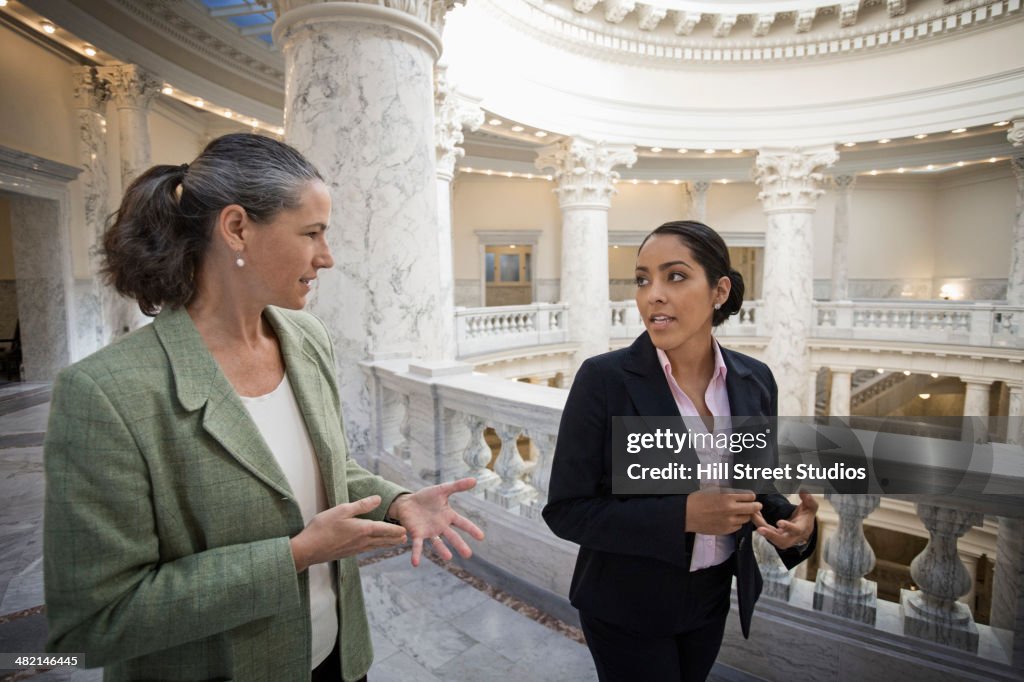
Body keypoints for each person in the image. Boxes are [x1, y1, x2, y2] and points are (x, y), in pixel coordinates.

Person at [43, 133, 484, 681]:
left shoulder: (305, 337)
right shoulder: (106, 392)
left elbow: (324, 472)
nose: (327, 256)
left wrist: (396, 503)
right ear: (236, 228)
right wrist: (294, 556)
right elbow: (92, 625)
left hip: (337, 660)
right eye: (312, 233)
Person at [543, 220, 819, 682]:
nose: (653, 294)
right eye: (642, 279)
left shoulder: (755, 380)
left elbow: (751, 488)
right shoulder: (605, 380)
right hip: (625, 604)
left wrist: (793, 526)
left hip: (712, 597)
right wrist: (685, 516)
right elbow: (568, 511)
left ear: (719, 290)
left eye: (675, 276)